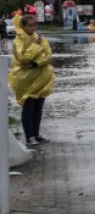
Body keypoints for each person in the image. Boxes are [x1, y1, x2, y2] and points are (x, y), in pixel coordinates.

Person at [8, 13, 55, 147]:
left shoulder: (38, 38)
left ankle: (36, 134)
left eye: (35, 25)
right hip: (25, 79)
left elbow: (48, 56)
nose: (33, 28)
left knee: (38, 107)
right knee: (28, 107)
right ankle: (30, 136)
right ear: (23, 26)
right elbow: (24, 58)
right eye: (30, 26)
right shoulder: (19, 41)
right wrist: (37, 48)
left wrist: (36, 63)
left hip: (41, 78)